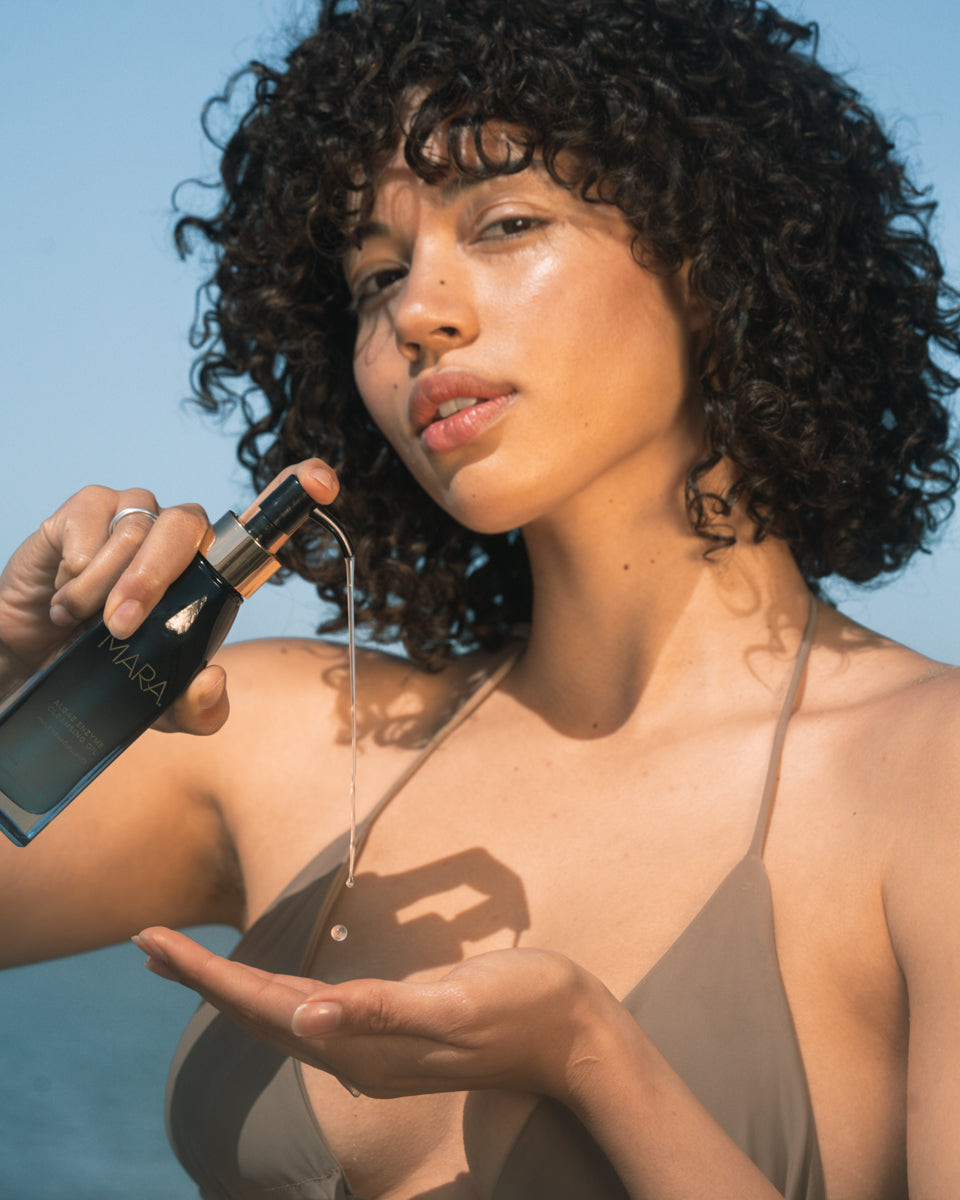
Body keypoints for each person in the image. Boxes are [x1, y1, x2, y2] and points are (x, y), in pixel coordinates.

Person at [1, 0, 959, 1196]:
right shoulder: (290, 730)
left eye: (505, 222)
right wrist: (4, 669)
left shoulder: (930, 778)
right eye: (375, 275)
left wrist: (595, 1057)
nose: (415, 311)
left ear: (716, 257)